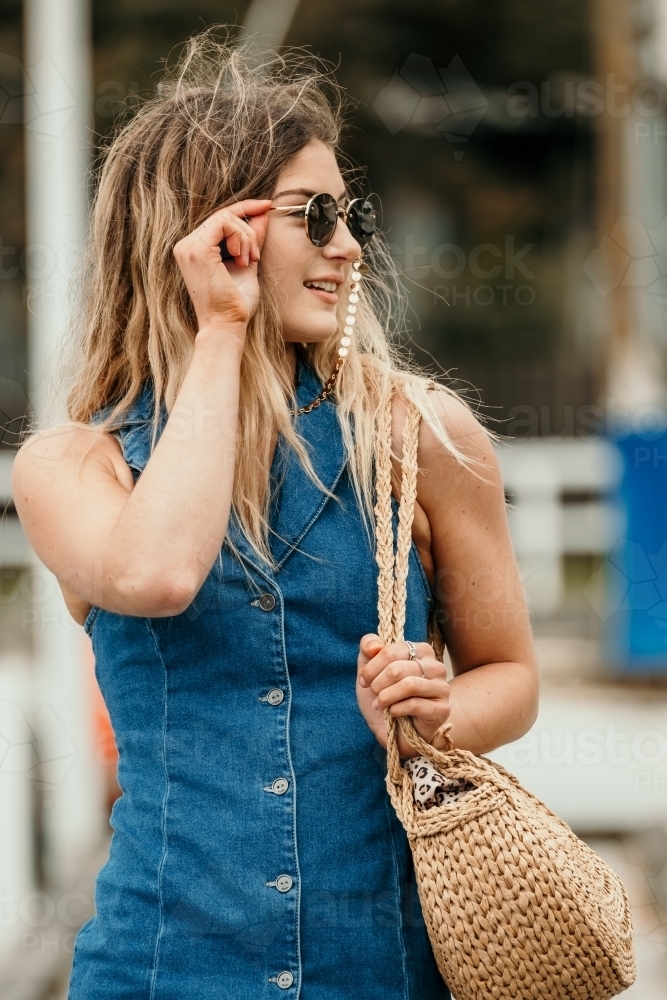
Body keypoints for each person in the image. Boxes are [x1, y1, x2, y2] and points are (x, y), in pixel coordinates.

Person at [12, 30, 538, 1000]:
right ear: (215, 230)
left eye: (352, 214)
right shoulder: (72, 463)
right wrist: (220, 327)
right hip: (162, 968)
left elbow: (511, 675)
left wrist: (435, 712)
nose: (348, 245)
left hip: (383, 969)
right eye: (316, 216)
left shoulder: (421, 433)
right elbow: (159, 573)